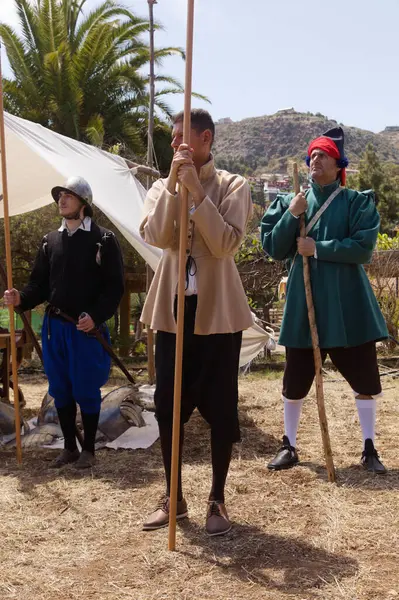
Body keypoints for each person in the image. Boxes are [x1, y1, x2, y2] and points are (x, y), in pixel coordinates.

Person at [140, 109, 253, 536]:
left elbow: (225, 243)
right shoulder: (159, 186)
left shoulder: (234, 185)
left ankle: (217, 500)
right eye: (171, 138)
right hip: (173, 314)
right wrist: (175, 187)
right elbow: (155, 234)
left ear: (205, 138)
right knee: (168, 407)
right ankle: (174, 497)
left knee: (222, 407)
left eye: (180, 138)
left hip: (218, 316)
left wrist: (198, 193)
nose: (174, 145)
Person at [261, 127, 388, 474]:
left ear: (338, 163)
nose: (315, 159)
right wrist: (292, 215)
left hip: (348, 307)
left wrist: (319, 248)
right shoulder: (291, 203)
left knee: (365, 380)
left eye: (323, 154)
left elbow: (363, 248)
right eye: (312, 155)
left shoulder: (356, 203)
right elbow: (273, 247)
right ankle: (288, 445)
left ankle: (369, 447)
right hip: (306, 307)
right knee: (294, 381)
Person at [4, 176, 124, 469]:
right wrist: (21, 297)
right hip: (54, 327)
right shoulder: (50, 241)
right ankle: (70, 447)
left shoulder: (103, 240)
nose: (61, 200)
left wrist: (95, 316)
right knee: (60, 388)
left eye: (68, 195)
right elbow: (39, 286)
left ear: (83, 202)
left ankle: (90, 452)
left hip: (85, 330)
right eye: (60, 196)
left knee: (85, 389)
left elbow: (114, 288)